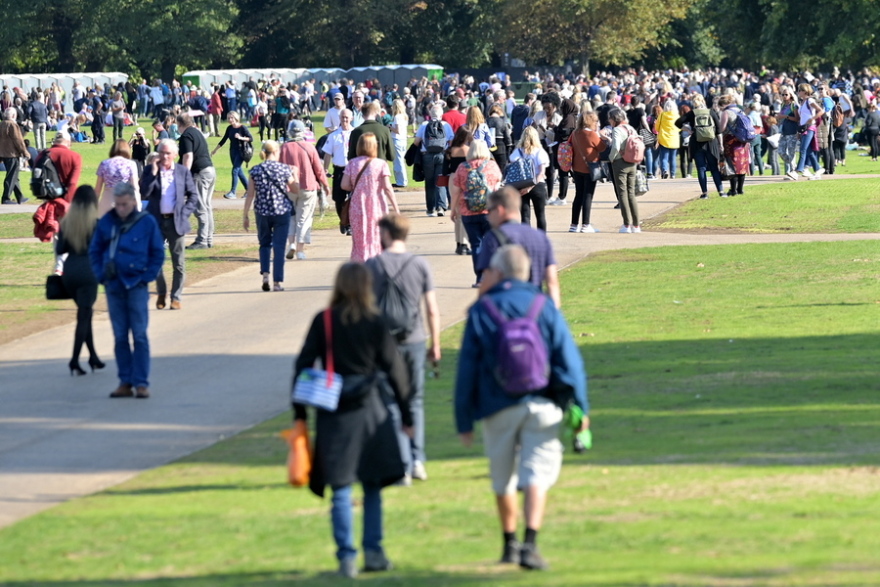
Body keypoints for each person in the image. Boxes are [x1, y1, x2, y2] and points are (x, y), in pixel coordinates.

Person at [454, 243, 589, 570]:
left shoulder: (482, 310)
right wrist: (581, 409)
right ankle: (530, 543)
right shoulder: (543, 305)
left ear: (497, 272)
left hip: (496, 404)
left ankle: (508, 543)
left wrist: (463, 419)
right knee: (536, 474)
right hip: (542, 402)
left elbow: (467, 367)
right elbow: (569, 362)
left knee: (502, 478)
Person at [292, 262, 412, 579]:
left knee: (341, 488)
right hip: (372, 409)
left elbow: (302, 366)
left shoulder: (325, 321)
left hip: (335, 411)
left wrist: (300, 414)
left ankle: (347, 558)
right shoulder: (375, 322)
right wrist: (407, 413)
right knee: (372, 486)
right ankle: (374, 552)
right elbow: (396, 371)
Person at [365, 213, 441, 483]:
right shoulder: (419, 264)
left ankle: (403, 464)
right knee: (415, 401)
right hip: (415, 338)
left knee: (391, 403)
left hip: (384, 345)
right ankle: (418, 459)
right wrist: (436, 343)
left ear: (386, 234)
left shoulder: (372, 266)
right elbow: (431, 309)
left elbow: (366, 311)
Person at [89, 182, 164, 399]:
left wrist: (146, 278)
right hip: (113, 285)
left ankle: (141, 383)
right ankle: (125, 381)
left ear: (133, 201)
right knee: (120, 336)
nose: (121, 208)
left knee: (139, 335)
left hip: (136, 285)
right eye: (118, 204)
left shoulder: (146, 222)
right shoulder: (106, 222)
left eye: (125, 204)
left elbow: (157, 254)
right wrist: (101, 276)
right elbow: (95, 251)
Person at [476, 188, 561, 308]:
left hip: (505, 308)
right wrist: (553, 314)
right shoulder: (541, 237)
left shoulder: (493, 238)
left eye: (489, 210)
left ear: (500, 210)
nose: (488, 216)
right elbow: (552, 282)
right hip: (535, 308)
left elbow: (488, 280)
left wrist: (480, 309)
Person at [140, 138, 199, 310]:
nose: (164, 156)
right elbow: (144, 193)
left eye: (168, 153)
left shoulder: (182, 171)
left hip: (176, 222)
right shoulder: (150, 170)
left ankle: (176, 297)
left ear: (175, 155)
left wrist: (184, 213)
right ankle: (161, 292)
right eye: (162, 152)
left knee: (178, 263)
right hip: (156, 222)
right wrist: (153, 172)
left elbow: (193, 196)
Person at [56, 185, 105, 376]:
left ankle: (93, 357)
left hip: (70, 272)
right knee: (84, 317)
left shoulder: (67, 223)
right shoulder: (97, 224)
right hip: (89, 272)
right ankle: (74, 360)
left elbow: (60, 250)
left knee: (85, 314)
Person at [243, 140, 297, 292]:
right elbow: (295, 190)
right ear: (275, 152)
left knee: (264, 244)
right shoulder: (284, 169)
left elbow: (250, 195)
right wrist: (296, 175)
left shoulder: (255, 170)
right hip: (281, 212)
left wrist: (245, 215)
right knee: (279, 247)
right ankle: (277, 282)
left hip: (262, 212)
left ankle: (265, 274)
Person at [449, 139, 503, 286]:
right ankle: (493, 276)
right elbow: (497, 188)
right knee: (491, 243)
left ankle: (480, 278)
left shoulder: (462, 167)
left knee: (476, 244)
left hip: (469, 211)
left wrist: (453, 210)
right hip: (489, 211)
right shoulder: (492, 166)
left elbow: (456, 192)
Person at [342, 133, 400, 262]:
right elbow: (387, 188)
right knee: (377, 238)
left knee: (359, 241)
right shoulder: (381, 164)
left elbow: (344, 185)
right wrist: (396, 209)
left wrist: (358, 187)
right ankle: (377, 264)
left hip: (357, 206)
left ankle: (359, 266)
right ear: (375, 146)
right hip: (377, 206)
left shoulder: (352, 163)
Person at [280, 120, 329, 260]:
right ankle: (300, 250)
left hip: (289, 187)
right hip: (308, 186)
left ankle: (291, 244)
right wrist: (325, 185)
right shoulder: (309, 147)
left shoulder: (283, 148)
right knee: (304, 218)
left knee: (290, 218)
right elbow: (319, 170)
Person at [178, 113, 216, 249]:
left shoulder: (186, 135)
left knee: (200, 207)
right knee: (206, 206)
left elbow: (188, 156)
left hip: (199, 173)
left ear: (180, 124)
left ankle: (202, 240)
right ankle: (208, 238)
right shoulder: (197, 132)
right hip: (210, 170)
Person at [676, 94, 723, 199]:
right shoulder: (711, 112)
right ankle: (721, 191)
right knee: (714, 168)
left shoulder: (692, 113)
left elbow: (678, 123)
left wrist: (688, 130)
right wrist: (721, 144)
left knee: (701, 169)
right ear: (703, 101)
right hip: (711, 143)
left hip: (697, 143)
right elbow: (719, 130)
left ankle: (705, 193)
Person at [413, 104, 454, 216]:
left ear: (430, 114)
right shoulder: (446, 125)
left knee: (429, 181)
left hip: (427, 155)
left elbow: (416, 142)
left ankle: (431, 208)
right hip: (442, 155)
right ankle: (440, 206)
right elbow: (451, 142)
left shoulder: (424, 125)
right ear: (441, 114)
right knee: (440, 180)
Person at [568, 111, 606, 232]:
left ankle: (574, 224)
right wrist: (604, 138)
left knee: (578, 195)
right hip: (590, 167)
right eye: (595, 121)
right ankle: (586, 224)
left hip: (576, 167)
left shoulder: (575, 133)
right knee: (588, 195)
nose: (597, 123)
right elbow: (602, 148)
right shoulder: (592, 134)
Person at [509, 126, 551, 231]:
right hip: (538, 185)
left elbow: (512, 164)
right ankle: (541, 240)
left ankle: (527, 241)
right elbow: (542, 172)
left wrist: (526, 188)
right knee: (540, 214)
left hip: (521, 184)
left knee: (525, 215)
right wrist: (531, 186)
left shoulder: (517, 152)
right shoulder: (539, 152)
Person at [608, 108, 641, 232]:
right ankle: (636, 225)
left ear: (614, 119)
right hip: (632, 162)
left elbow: (616, 146)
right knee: (631, 193)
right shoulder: (630, 128)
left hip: (620, 162)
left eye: (610, 119)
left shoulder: (616, 130)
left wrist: (611, 158)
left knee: (622, 193)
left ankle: (627, 224)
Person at [322, 108, 354, 233]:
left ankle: (349, 224)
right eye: (343, 117)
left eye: (347, 117)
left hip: (352, 170)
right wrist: (325, 168)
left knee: (352, 198)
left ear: (351, 118)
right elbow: (327, 154)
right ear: (339, 118)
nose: (345, 120)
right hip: (339, 170)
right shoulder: (334, 135)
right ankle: (343, 220)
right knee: (338, 199)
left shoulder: (355, 133)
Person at [444, 127, 474, 255]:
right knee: (464, 211)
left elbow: (444, 169)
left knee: (457, 211)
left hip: (452, 177)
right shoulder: (469, 151)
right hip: (465, 177)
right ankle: (465, 242)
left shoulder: (450, 150)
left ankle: (459, 243)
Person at [212, 111, 253, 200]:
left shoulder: (243, 128)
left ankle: (233, 192)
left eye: (232, 118)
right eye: (228, 118)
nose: (230, 120)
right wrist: (215, 150)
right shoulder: (229, 128)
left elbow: (251, 138)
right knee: (239, 172)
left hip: (241, 152)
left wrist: (241, 137)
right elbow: (223, 140)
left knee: (235, 171)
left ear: (236, 118)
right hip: (232, 152)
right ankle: (249, 191)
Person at [717, 95, 752, 196]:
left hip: (730, 140)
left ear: (724, 104)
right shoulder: (740, 110)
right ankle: (740, 189)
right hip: (743, 141)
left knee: (732, 165)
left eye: (721, 106)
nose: (720, 108)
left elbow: (722, 128)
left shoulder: (726, 112)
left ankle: (733, 190)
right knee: (742, 165)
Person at [95, 139, 140, 216]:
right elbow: (135, 186)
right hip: (125, 201)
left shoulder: (104, 163)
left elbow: (97, 189)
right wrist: (138, 203)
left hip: (107, 201)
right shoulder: (131, 164)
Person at [795, 84, 824, 180]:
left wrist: (813, 118)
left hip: (810, 128)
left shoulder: (810, 100)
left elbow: (820, 111)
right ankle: (817, 168)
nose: (798, 92)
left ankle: (798, 169)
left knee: (803, 149)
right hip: (803, 128)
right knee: (808, 150)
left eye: (800, 90)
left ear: (805, 91)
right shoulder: (802, 102)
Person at [0, 107, 28, 205]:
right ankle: (6, 197)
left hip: (4, 153)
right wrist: (25, 152)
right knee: (11, 176)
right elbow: (18, 140)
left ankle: (20, 196)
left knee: (14, 176)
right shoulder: (13, 125)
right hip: (12, 154)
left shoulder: (2, 124)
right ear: (13, 115)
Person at [655, 99, 680, 179]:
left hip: (664, 139)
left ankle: (665, 170)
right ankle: (672, 174)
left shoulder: (662, 115)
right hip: (674, 139)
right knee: (673, 158)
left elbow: (657, 127)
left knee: (664, 158)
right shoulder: (677, 116)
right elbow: (680, 128)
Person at [390, 99, 409, 188]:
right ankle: (402, 180)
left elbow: (397, 130)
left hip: (397, 139)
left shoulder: (397, 116)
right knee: (400, 160)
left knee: (398, 161)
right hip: (402, 140)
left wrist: (390, 127)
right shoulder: (404, 116)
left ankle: (401, 181)